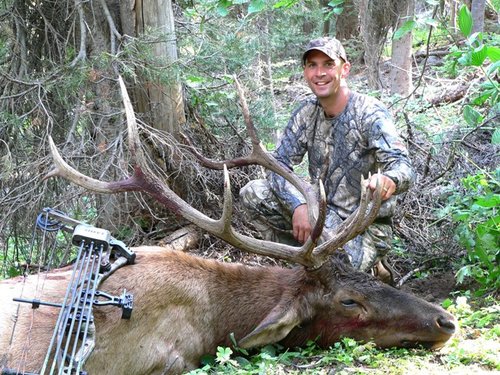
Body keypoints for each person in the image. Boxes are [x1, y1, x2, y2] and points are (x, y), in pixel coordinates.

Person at [240, 37, 415, 282]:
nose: (319, 73)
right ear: (305, 71)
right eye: (312, 65)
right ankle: (303, 266)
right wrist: (298, 206)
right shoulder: (306, 112)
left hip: (361, 228)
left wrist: (388, 179)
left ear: (345, 69)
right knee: (252, 193)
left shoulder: (370, 113)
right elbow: (277, 166)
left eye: (328, 64)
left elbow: (404, 167)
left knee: (338, 274)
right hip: (320, 215)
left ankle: (371, 266)